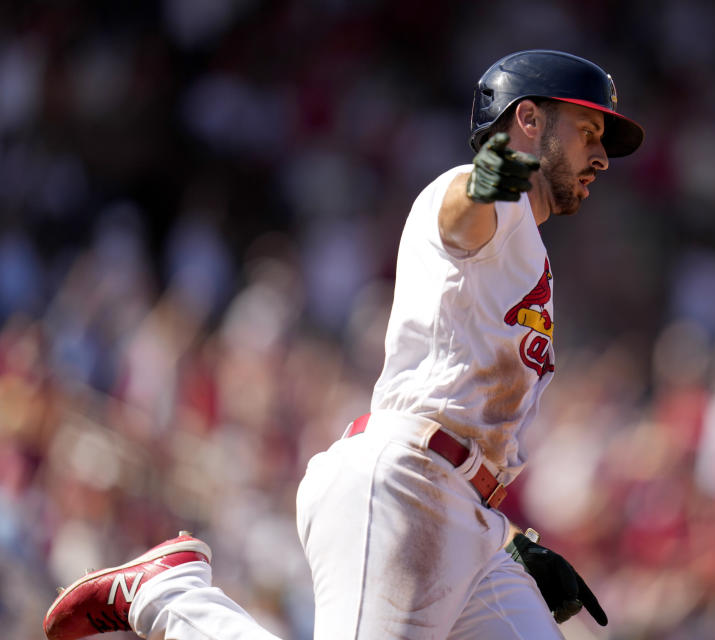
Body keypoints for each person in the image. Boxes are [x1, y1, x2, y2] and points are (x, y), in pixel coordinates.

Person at [43, 49, 645, 640]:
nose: (600, 156)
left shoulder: (526, 247)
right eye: (588, 131)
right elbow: (464, 212)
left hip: (469, 518)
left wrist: (514, 540)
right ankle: (168, 596)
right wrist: (506, 162)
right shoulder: (484, 193)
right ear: (530, 119)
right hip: (406, 490)